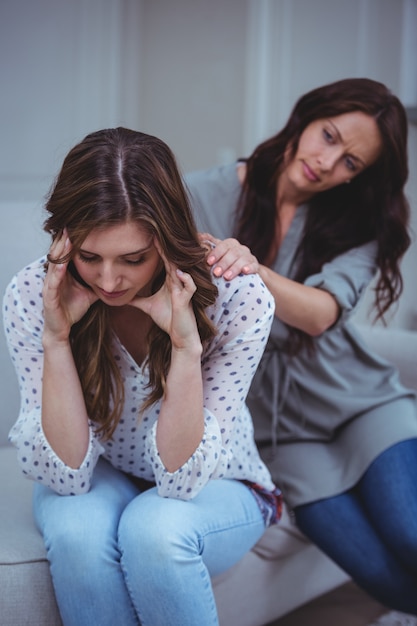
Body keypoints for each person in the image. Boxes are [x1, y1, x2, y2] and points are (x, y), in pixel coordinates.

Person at [3, 127, 282, 626]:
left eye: (133, 259)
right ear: (64, 239)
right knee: (76, 532)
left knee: (154, 529)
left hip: (218, 483)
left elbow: (180, 480)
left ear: (167, 239)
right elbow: (63, 476)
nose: (108, 281)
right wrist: (57, 339)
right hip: (105, 472)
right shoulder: (34, 292)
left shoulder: (239, 298)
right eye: (89, 257)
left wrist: (183, 345)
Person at [185, 77, 417, 619]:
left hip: (362, 404)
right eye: (328, 136)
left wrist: (250, 266)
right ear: (306, 117)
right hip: (280, 431)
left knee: (410, 534)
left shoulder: (359, 222)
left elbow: (319, 314)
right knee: (380, 572)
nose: (328, 161)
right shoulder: (200, 195)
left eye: (351, 163)